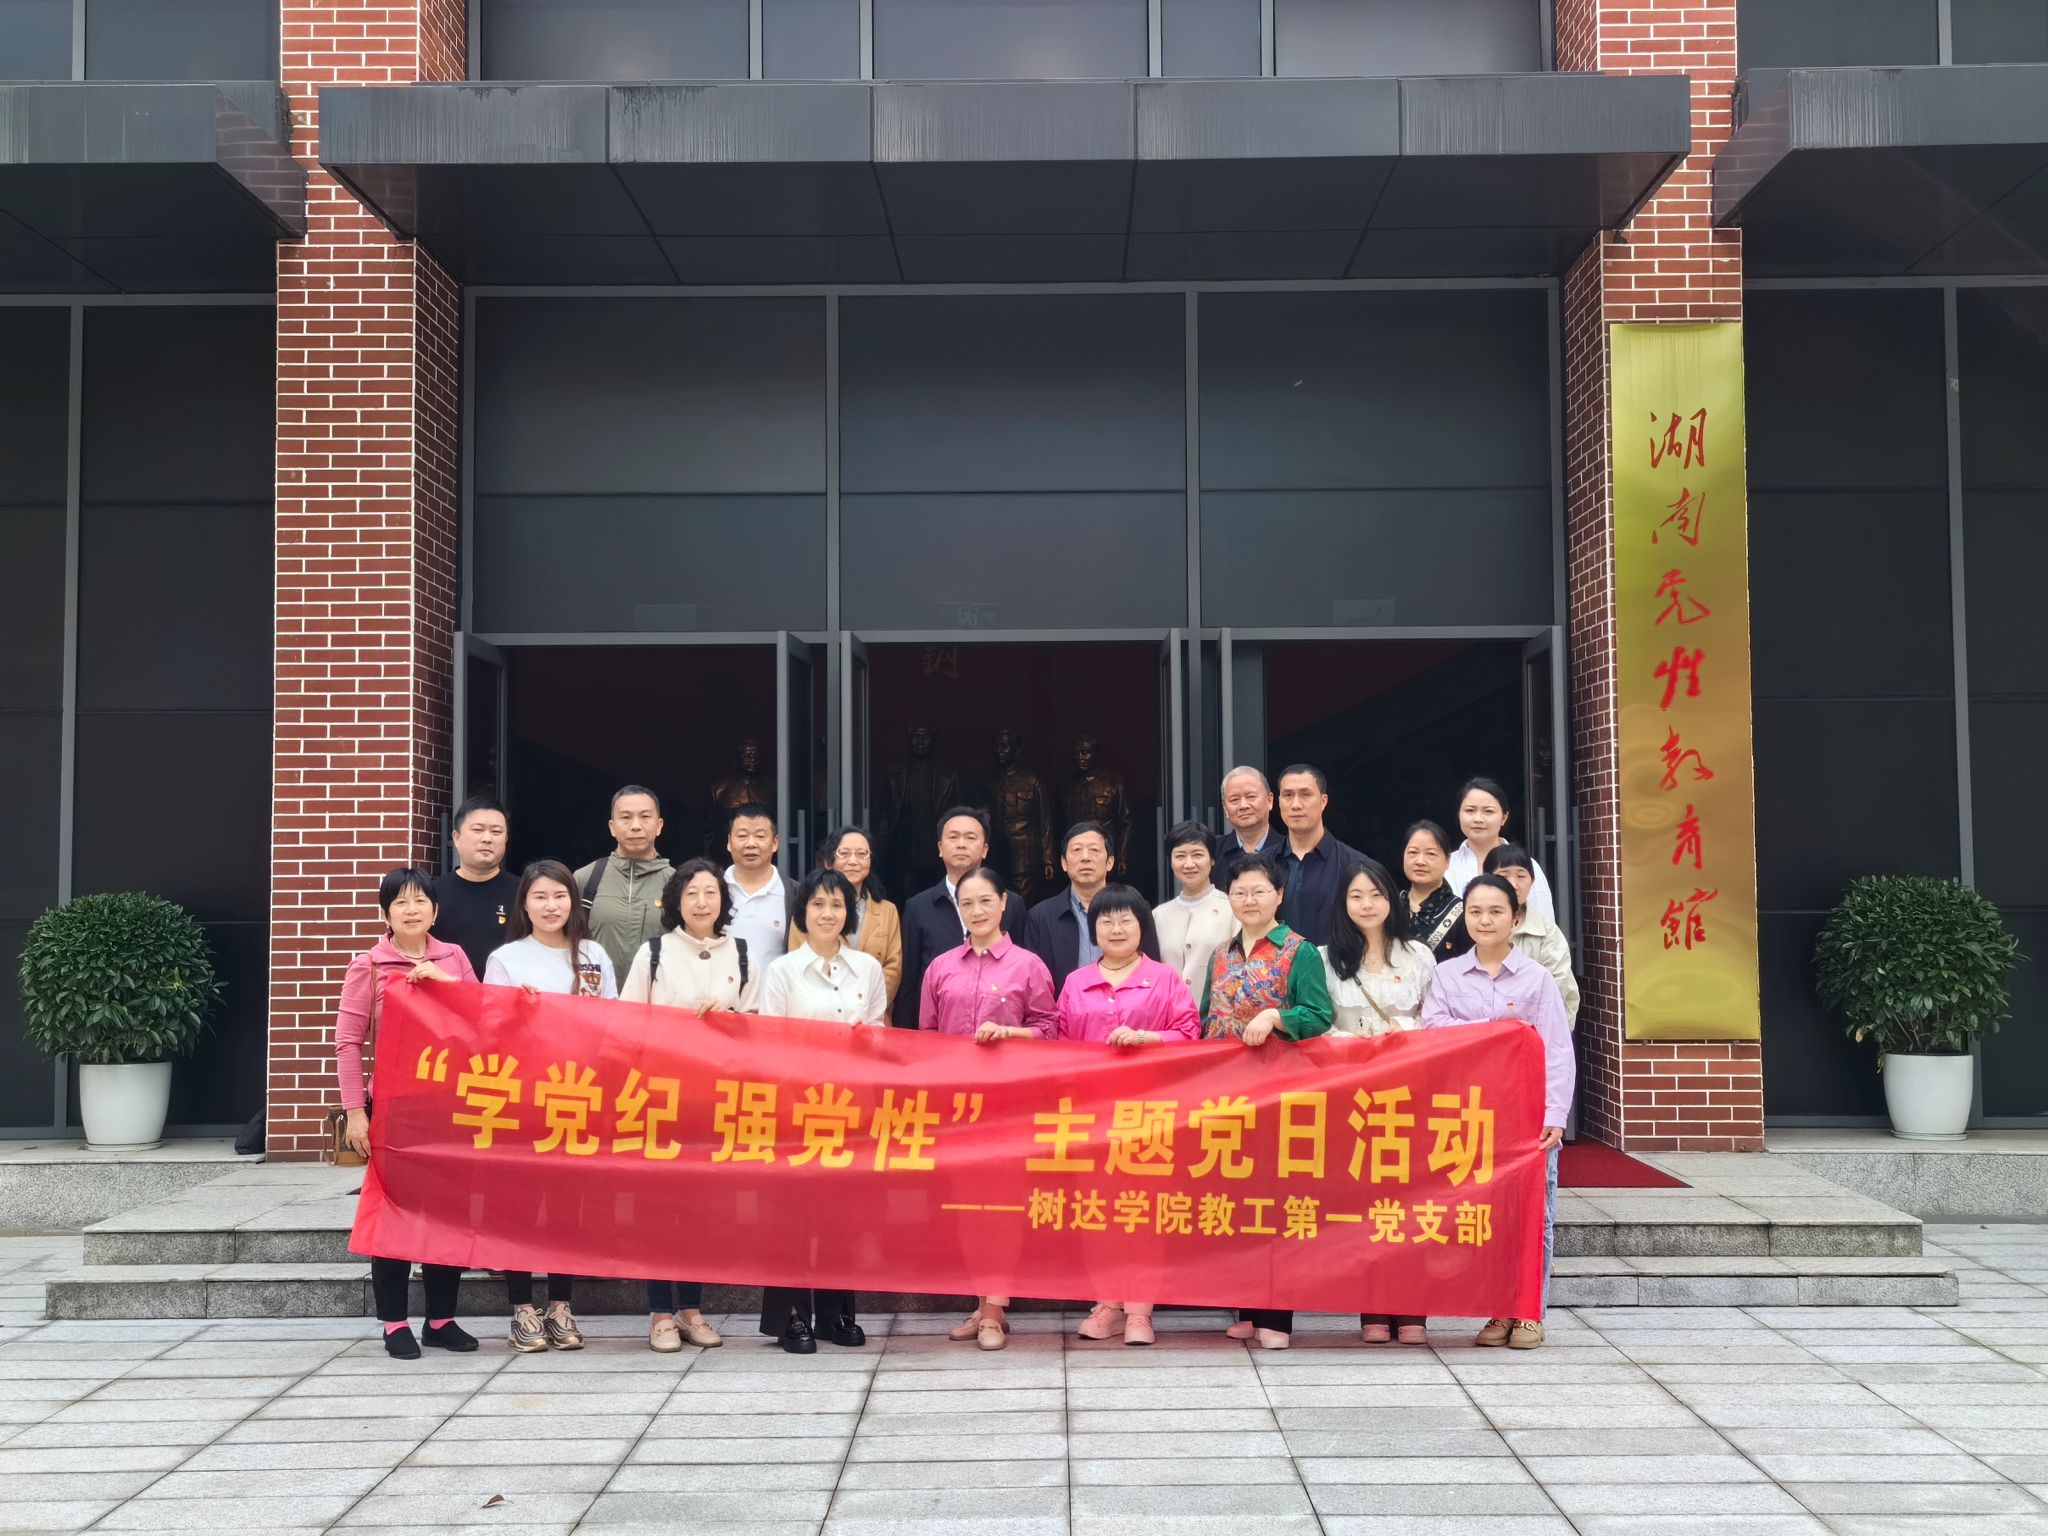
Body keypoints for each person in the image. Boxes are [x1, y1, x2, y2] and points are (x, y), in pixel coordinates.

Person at [1422, 872, 1574, 1351]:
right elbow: (1433, 1030)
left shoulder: (1537, 979)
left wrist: (1555, 1114)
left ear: (1516, 918)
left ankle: (1529, 1312)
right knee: (1487, 1215)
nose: (1484, 920)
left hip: (1526, 1115)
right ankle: (1498, 1308)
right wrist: (1500, 1029)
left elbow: (1556, 1048)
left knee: (1534, 1215)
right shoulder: (1446, 975)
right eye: (1475, 911)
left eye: (1495, 912)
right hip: (1470, 1115)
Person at [334, 868, 479, 1361]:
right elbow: (348, 1043)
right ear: (386, 913)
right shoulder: (369, 966)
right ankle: (395, 1322)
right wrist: (356, 1112)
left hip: (449, 1106)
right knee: (393, 1214)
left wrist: (444, 982)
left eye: (420, 901)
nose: (411, 910)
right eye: (400, 902)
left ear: (435, 911)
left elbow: (481, 1019)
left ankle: (440, 1320)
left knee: (448, 1214)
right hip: (393, 1110)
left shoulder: (454, 957)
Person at [619, 857, 760, 1352]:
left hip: (716, 1100)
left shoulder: (742, 953)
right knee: (659, 1206)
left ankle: (692, 1309)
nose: (702, 902)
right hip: (661, 1098)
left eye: (710, 893)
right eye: (692, 893)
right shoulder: (654, 952)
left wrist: (733, 1016)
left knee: (702, 1208)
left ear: (723, 901)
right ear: (676, 901)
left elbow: (762, 1028)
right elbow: (627, 1027)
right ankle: (660, 1312)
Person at [1198, 852, 1333, 1350]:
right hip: (1226, 1097)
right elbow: (1207, 1018)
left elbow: (1319, 1015)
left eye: (1258, 891)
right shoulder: (1221, 954)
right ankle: (1249, 1308)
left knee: (1277, 1205)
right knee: (1237, 1204)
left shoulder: (1300, 952)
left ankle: (1277, 1316)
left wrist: (1278, 1016)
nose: (1248, 900)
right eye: (1239, 892)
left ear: (1279, 895)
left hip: (1280, 1096)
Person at [918, 865, 1056, 1351]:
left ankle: (995, 1310)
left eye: (984, 901)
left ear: (1003, 904)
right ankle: (980, 1302)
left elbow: (1051, 1031)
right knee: (966, 1209)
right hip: (957, 1108)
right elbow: (928, 1038)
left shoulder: (1028, 965)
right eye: (966, 903)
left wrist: (1010, 1033)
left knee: (1001, 1207)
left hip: (1009, 1105)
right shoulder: (941, 967)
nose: (976, 911)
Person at [479, 859, 614, 1352]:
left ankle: (560, 1305)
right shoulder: (506, 959)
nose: (551, 906)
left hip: (577, 1093)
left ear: (572, 902)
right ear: (525, 904)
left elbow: (613, 1023)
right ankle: (522, 1308)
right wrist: (516, 1011)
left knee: (567, 1205)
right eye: (540, 897)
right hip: (523, 1097)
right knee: (519, 1203)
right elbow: (487, 1032)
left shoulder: (594, 955)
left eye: (559, 896)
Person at [1055, 885, 1199, 1348]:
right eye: (1106, 921)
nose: (1115, 929)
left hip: (1150, 1112)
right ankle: (1107, 1303)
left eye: (1125, 920)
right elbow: (1059, 1048)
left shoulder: (1165, 978)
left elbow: (1189, 1034)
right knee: (1098, 1214)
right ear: (1093, 928)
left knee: (1143, 1212)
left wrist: (1146, 1038)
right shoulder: (1076, 982)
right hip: (1092, 1116)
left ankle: (1140, 1309)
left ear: (1142, 927)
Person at [757, 868, 886, 1354]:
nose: (827, 914)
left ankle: (836, 1312)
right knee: (792, 1213)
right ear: (802, 912)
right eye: (817, 904)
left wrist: (864, 1041)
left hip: (851, 1107)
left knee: (842, 1212)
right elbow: (771, 1043)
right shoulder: (782, 971)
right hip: (797, 1106)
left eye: (836, 905)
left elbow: (878, 1033)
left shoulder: (867, 968)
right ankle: (790, 1314)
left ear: (848, 913)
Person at [1322, 857, 1438, 1346]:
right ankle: (1370, 1307)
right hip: (1351, 1097)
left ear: (1392, 900)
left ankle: (1413, 1310)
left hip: (1409, 1094)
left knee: (1412, 1203)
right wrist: (1356, 1045)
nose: (1366, 904)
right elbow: (1320, 1024)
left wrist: (1402, 1035)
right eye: (1356, 896)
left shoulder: (1419, 956)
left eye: (1376, 895)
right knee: (1365, 1205)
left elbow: (1437, 1020)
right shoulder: (1325, 958)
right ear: (1343, 903)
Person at [893, 806, 1024, 1030]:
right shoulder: (918, 906)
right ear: (940, 848)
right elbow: (909, 981)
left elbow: (1022, 965)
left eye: (970, 837)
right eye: (953, 837)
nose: (961, 844)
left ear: (985, 850)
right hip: (939, 1029)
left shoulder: (1011, 904)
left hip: (1000, 1029)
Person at [790, 824, 903, 1008]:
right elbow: (797, 959)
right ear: (828, 862)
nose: (853, 861)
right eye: (844, 853)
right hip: (817, 1011)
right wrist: (834, 1008)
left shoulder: (887, 911)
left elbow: (893, 968)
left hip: (870, 1011)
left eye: (862, 854)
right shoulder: (809, 906)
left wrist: (863, 1006)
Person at [574, 785, 673, 978]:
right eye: (626, 817)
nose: (636, 826)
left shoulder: (677, 883)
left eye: (645, 816)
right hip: (596, 993)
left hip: (655, 994)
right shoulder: (585, 878)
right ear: (612, 827)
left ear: (659, 825)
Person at [1021, 821, 1128, 994]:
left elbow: (1150, 971)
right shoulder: (1041, 916)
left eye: (1094, 850)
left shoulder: (1133, 910)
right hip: (1062, 1009)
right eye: (1077, 850)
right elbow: (1032, 982)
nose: (1085, 857)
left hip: (1125, 1009)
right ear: (1064, 863)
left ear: (1110, 862)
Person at [1485, 843, 1580, 1026]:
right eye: (1504, 876)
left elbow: (1559, 987)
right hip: (1483, 1033)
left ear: (1532, 881)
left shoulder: (1546, 932)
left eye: (1521, 876)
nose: (1513, 884)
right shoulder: (1471, 927)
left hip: (1534, 1031)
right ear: (1485, 878)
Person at [1273, 763, 1363, 947]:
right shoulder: (1262, 865)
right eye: (1288, 795)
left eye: (1305, 795)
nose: (1296, 805)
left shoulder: (1355, 865)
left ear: (1323, 801)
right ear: (1278, 801)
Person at [432, 794, 518, 978]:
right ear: (456, 837)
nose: (487, 838)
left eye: (496, 832)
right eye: (478, 830)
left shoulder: (524, 893)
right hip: (447, 993)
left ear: (506, 839)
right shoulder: (432, 895)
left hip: (507, 993)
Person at [1446, 776, 1555, 921]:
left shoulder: (1526, 867)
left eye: (1488, 811)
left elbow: (1545, 923)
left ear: (1504, 817)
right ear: (1459, 815)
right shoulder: (1445, 866)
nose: (1478, 819)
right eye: (1470, 810)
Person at [1155, 820, 1233, 993]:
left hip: (1216, 1008)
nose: (1189, 864)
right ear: (1171, 862)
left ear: (1212, 859)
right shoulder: (1159, 915)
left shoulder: (1232, 909)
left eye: (1197, 855)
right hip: (1170, 1009)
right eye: (1180, 856)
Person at [723, 803, 788, 962]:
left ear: (775, 843)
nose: (751, 843)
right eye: (742, 836)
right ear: (729, 842)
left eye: (760, 836)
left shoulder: (794, 894)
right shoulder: (712, 890)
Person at [1401, 819, 1470, 961]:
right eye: (1413, 852)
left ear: (1447, 861)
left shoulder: (1463, 913)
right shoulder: (1390, 907)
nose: (1420, 861)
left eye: (1431, 854)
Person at [1219, 766, 1284, 862]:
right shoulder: (1213, 853)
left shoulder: (1287, 851)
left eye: (1251, 797)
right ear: (1225, 809)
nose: (1243, 806)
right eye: (1234, 800)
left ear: (1269, 801)